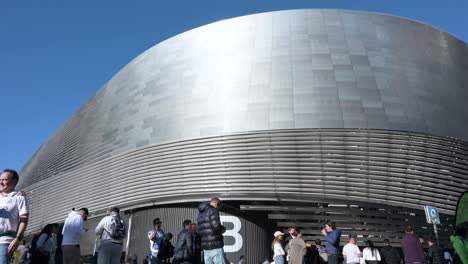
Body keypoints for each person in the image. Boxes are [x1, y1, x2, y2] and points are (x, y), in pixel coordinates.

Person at [0, 169, 29, 264]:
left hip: (5, 242)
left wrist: (18, 238)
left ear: (14, 181)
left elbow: (24, 218)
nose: (1, 182)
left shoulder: (18, 197)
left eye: (4, 179)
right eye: (0, 179)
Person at [197, 197, 226, 264]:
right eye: (219, 207)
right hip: (215, 244)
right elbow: (216, 226)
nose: (218, 209)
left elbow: (199, 230)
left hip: (205, 246)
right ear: (217, 204)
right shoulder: (213, 210)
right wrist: (223, 229)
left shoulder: (200, 214)